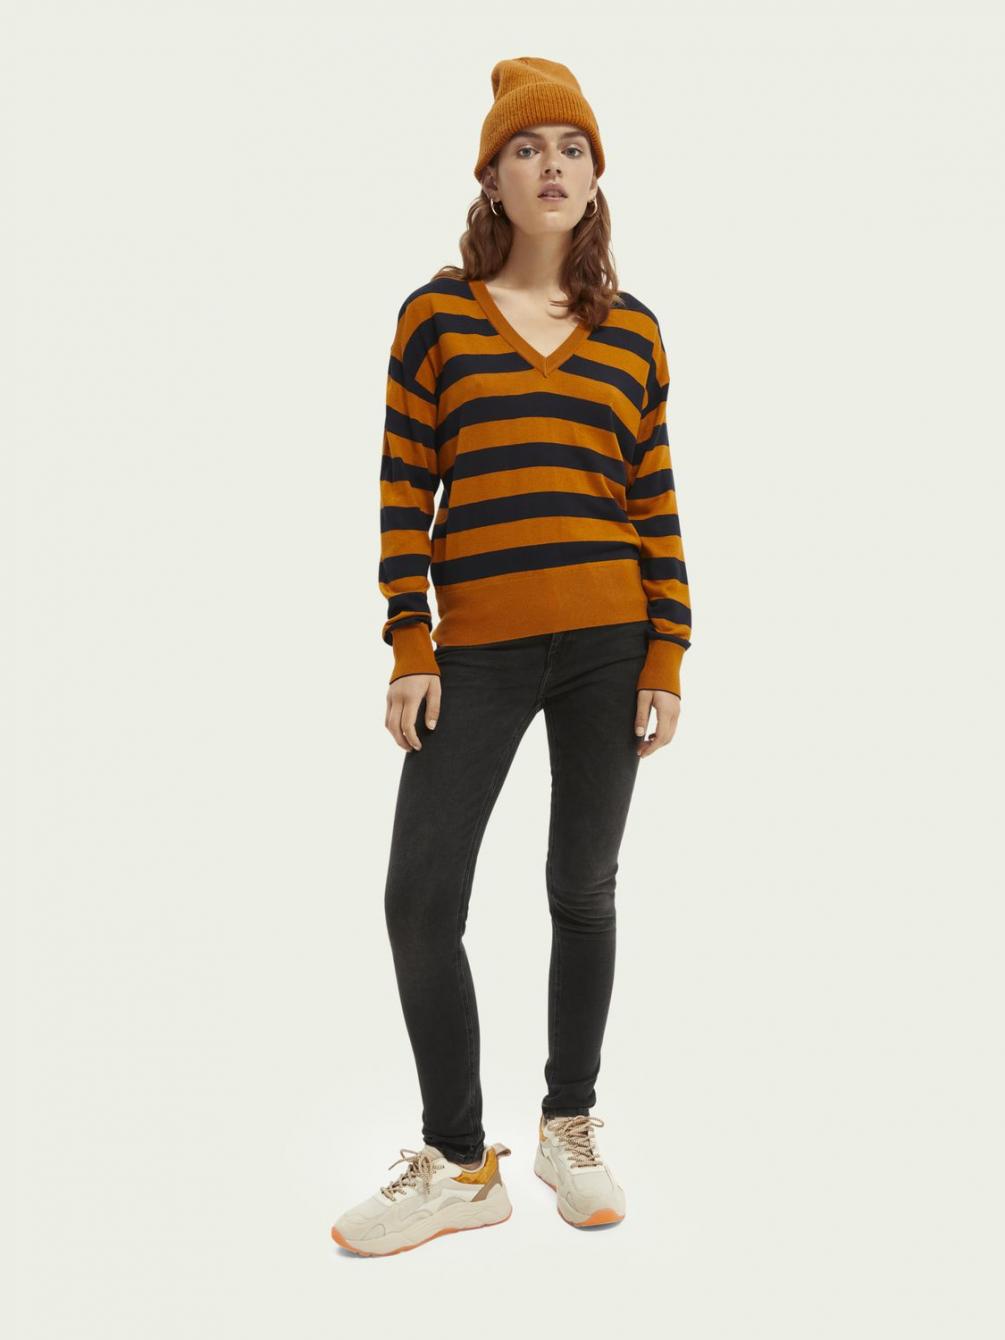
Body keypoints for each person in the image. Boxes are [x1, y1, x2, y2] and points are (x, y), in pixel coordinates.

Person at [331, 56, 692, 1257]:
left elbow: (654, 497)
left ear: (596, 178)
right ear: (491, 176)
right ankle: (458, 1160)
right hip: (475, 649)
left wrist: (667, 652)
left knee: (582, 887)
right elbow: (404, 487)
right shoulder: (436, 317)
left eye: (573, 149)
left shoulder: (633, 332)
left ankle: (567, 1126)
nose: (553, 166)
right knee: (420, 900)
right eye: (528, 149)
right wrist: (410, 637)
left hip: (610, 644)